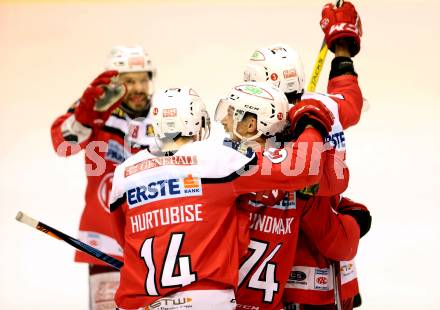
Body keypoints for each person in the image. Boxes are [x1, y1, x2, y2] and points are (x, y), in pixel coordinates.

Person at [109, 83, 338, 310]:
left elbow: (124, 240)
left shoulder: (124, 174)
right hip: (205, 300)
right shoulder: (217, 160)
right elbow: (302, 168)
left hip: (138, 303)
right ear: (197, 123)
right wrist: (311, 125)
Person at [241, 2, 369, 309]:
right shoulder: (328, 105)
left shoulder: (266, 134)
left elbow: (318, 219)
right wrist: (341, 48)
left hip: (300, 279)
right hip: (337, 276)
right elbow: (350, 97)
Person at [50, 45, 157, 310]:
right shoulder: (94, 110)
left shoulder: (164, 114)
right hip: (105, 238)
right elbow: (62, 145)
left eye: (143, 79)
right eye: (129, 81)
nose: (138, 88)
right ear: (113, 81)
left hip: (153, 238)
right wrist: (84, 120)